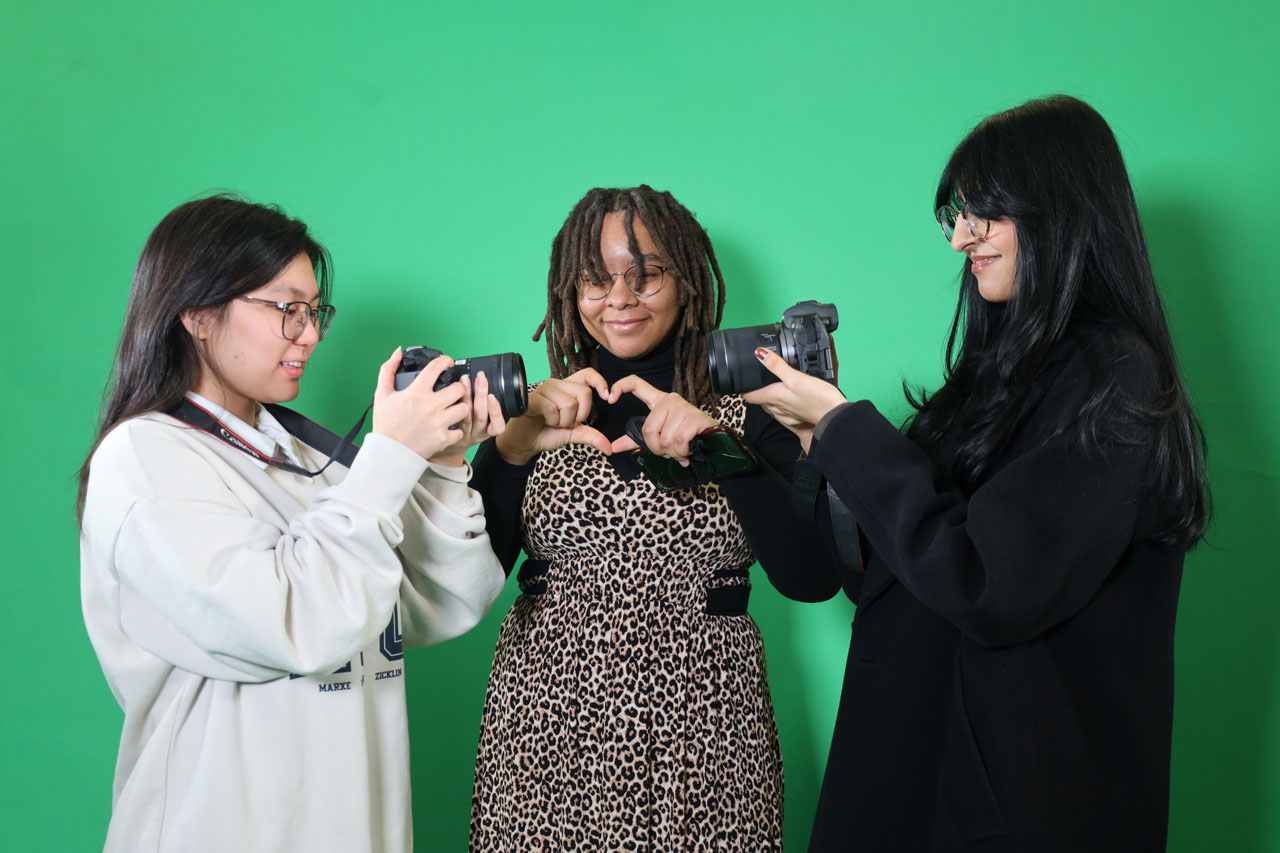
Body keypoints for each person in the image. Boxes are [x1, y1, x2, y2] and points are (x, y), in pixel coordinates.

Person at [743, 95, 1211, 851]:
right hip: (914, 782)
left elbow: (987, 583)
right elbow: (894, 575)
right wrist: (816, 446)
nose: (962, 237)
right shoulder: (995, 375)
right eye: (957, 214)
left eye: (985, 212)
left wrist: (844, 427)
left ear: (1061, 210)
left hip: (1018, 811)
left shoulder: (1114, 376)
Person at [78, 194, 507, 853]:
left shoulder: (316, 461)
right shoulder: (144, 458)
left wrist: (442, 460)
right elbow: (296, 625)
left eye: (314, 312)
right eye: (286, 309)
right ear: (195, 312)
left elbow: (438, 603)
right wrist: (389, 456)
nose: (308, 334)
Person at [466, 185, 835, 852]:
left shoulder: (753, 410)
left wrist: (724, 455)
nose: (620, 298)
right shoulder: (534, 412)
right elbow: (466, 584)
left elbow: (812, 575)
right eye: (595, 279)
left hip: (707, 722)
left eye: (647, 275)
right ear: (568, 293)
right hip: (549, 720)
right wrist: (508, 448)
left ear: (688, 281)